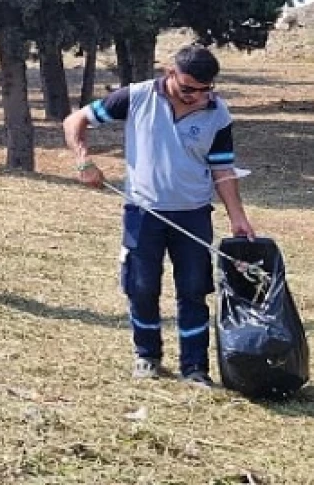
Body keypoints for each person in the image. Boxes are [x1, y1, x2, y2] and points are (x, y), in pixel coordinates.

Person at [63, 44, 255, 388]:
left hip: (193, 214)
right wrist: (83, 161)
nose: (196, 97)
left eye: (204, 90)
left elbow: (222, 168)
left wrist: (237, 216)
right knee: (141, 286)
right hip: (143, 212)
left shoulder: (217, 113)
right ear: (170, 74)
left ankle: (195, 367)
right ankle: (147, 356)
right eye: (188, 89)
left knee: (194, 290)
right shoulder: (136, 97)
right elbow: (75, 120)